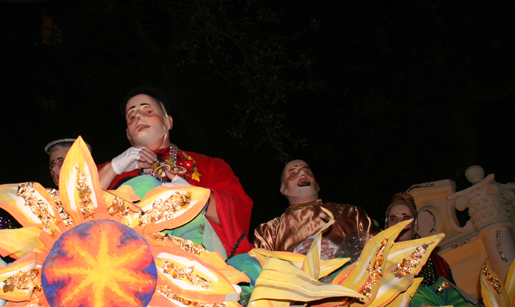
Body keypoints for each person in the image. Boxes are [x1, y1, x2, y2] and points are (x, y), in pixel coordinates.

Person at [98, 85, 253, 257]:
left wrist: (197, 198)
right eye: (132, 116)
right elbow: (73, 205)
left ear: (168, 122)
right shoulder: (108, 172)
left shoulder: (208, 166)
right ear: (128, 134)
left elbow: (240, 212)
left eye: (148, 111)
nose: (139, 117)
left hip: (196, 260)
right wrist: (114, 167)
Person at [252, 159, 377, 258]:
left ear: (317, 185)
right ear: (283, 189)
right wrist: (291, 260)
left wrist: (345, 254)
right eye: (293, 173)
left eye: (307, 171)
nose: (302, 173)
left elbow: (381, 248)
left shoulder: (352, 214)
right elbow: (258, 269)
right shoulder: (268, 232)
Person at [385, 192, 453, 286]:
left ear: (415, 227)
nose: (399, 224)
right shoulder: (373, 260)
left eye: (406, 219)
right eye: (393, 219)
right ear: (386, 225)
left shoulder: (436, 264)